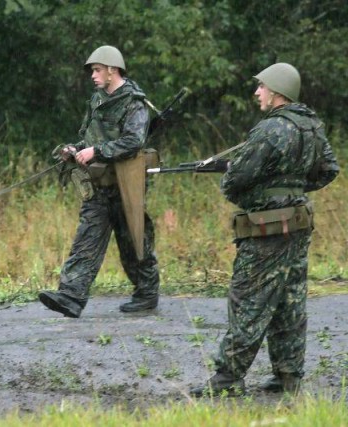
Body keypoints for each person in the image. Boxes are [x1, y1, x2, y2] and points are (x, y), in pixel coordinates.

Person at [190, 63, 339, 397]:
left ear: (277, 92)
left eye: (261, 87)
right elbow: (329, 169)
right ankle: (288, 376)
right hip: (298, 224)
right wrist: (292, 189)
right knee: (289, 299)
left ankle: (228, 378)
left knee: (248, 299)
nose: (257, 93)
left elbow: (235, 181)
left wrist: (262, 195)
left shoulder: (269, 129)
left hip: (266, 229)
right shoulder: (311, 126)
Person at [38, 45, 160, 318]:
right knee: (86, 238)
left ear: (112, 70)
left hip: (126, 184)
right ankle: (71, 296)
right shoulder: (97, 100)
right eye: (93, 70)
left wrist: (96, 151)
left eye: (97, 70)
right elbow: (90, 139)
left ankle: (147, 292)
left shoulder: (134, 103)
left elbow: (133, 141)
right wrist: (75, 149)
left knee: (133, 241)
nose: (93, 75)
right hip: (98, 185)